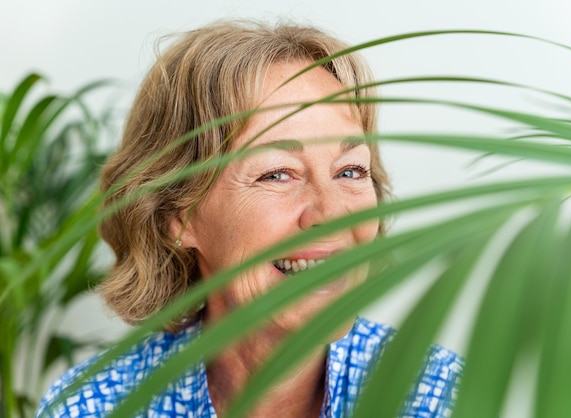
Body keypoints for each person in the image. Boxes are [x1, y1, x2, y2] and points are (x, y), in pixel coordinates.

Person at [35, 20, 463, 417]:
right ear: (177, 216)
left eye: (350, 171)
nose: (331, 215)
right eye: (277, 173)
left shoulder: (437, 395)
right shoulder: (93, 406)